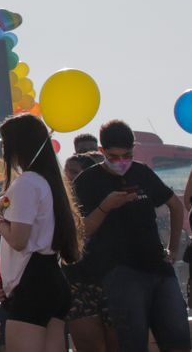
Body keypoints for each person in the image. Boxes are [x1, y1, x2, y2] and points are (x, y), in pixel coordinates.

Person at [73, 120, 189, 352]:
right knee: (134, 342)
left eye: (127, 155)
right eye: (114, 157)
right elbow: (81, 231)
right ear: (101, 151)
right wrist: (105, 207)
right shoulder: (87, 181)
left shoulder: (141, 171)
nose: (121, 162)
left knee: (179, 339)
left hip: (159, 266)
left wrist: (173, 248)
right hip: (120, 270)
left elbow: (176, 206)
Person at [0, 115, 83, 351]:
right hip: (50, 276)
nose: (2, 147)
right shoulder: (47, 181)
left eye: (4, 142)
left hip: (33, 282)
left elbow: (20, 240)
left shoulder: (27, 183)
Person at [62, 152, 115, 352]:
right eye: (66, 172)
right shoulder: (62, 205)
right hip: (76, 281)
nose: (68, 178)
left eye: (74, 173)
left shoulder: (110, 201)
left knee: (115, 344)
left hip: (109, 279)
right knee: (87, 346)